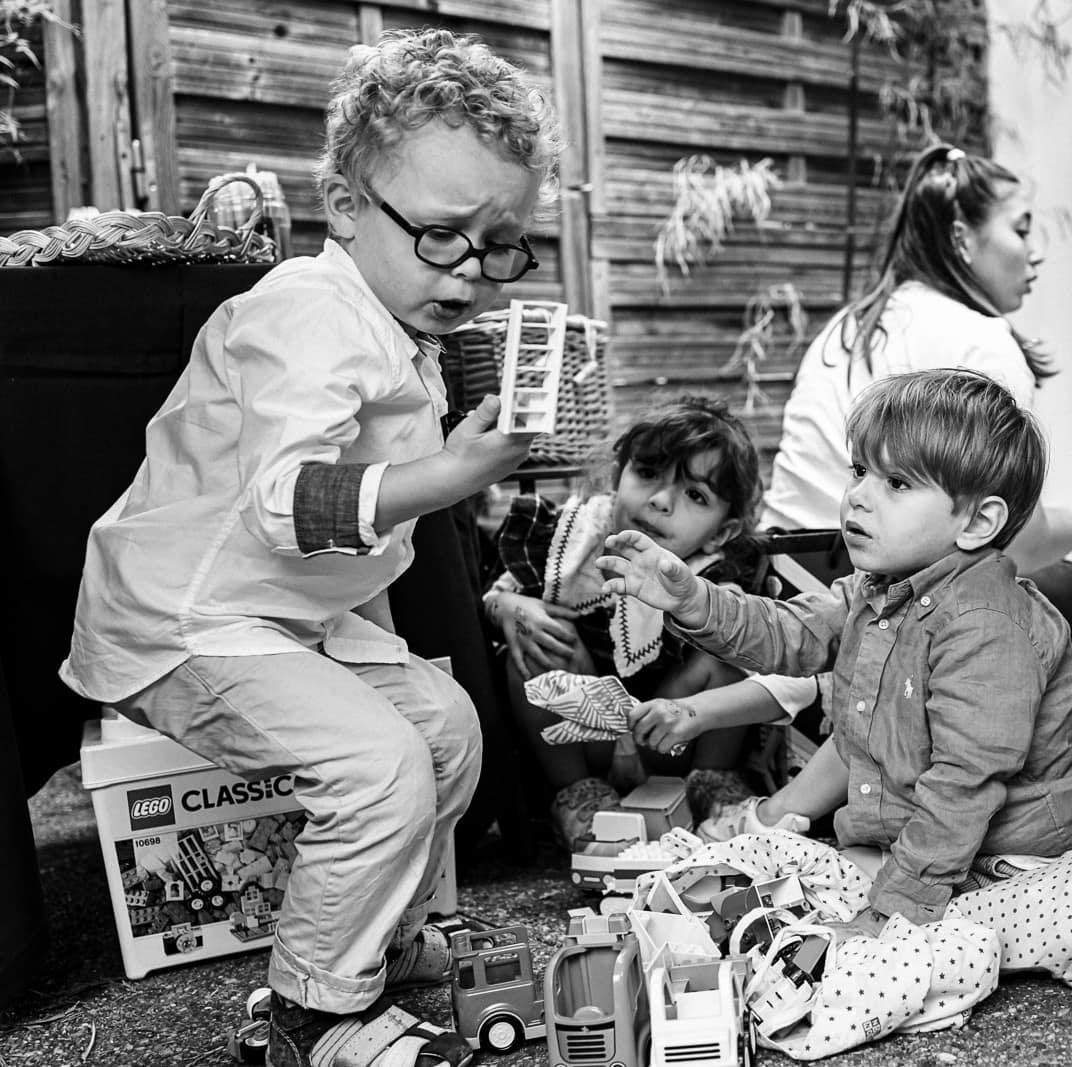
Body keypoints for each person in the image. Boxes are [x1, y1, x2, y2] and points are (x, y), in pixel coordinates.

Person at [58, 29, 559, 1066]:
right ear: (343, 205)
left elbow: (349, 545)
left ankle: (383, 939)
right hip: (184, 616)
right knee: (376, 767)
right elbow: (291, 502)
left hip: (281, 611)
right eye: (442, 235)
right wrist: (455, 476)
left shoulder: (393, 327)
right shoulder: (303, 314)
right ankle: (311, 1011)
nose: (472, 271)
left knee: (446, 729)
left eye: (500, 243)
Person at [601, 369, 1072, 926]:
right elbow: (788, 633)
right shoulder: (877, 588)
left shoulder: (987, 628)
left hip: (1023, 851)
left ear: (978, 521)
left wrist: (890, 915)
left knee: (832, 915)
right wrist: (693, 601)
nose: (857, 497)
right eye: (859, 471)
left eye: (896, 483)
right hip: (925, 831)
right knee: (780, 889)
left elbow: (964, 787)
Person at [762, 143, 1072, 664]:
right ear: (961, 237)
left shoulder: (845, 327)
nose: (1035, 251)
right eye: (1022, 229)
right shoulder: (980, 340)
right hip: (879, 599)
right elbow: (1018, 544)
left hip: (788, 582)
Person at [483, 394, 783, 849]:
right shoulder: (571, 539)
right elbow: (496, 593)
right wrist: (507, 608)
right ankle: (578, 797)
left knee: (727, 649)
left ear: (721, 532)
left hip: (671, 743)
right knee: (541, 640)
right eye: (646, 474)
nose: (661, 501)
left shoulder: (716, 576)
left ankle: (713, 789)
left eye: (695, 496)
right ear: (617, 475)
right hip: (586, 740)